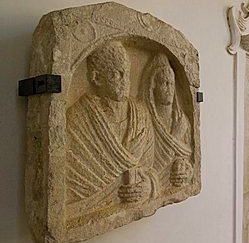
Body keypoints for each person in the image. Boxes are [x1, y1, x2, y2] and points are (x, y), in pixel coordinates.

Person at [66, 41, 155, 218]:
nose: (125, 82)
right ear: (96, 78)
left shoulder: (141, 115)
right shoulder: (77, 120)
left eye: (127, 74)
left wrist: (148, 187)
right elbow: (68, 181)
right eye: (116, 74)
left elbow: (149, 169)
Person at [142, 53, 193, 188]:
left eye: (171, 84)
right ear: (153, 85)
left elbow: (188, 156)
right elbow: (149, 166)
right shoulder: (145, 120)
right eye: (164, 83)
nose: (169, 89)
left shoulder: (182, 120)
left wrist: (185, 171)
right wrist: (175, 137)